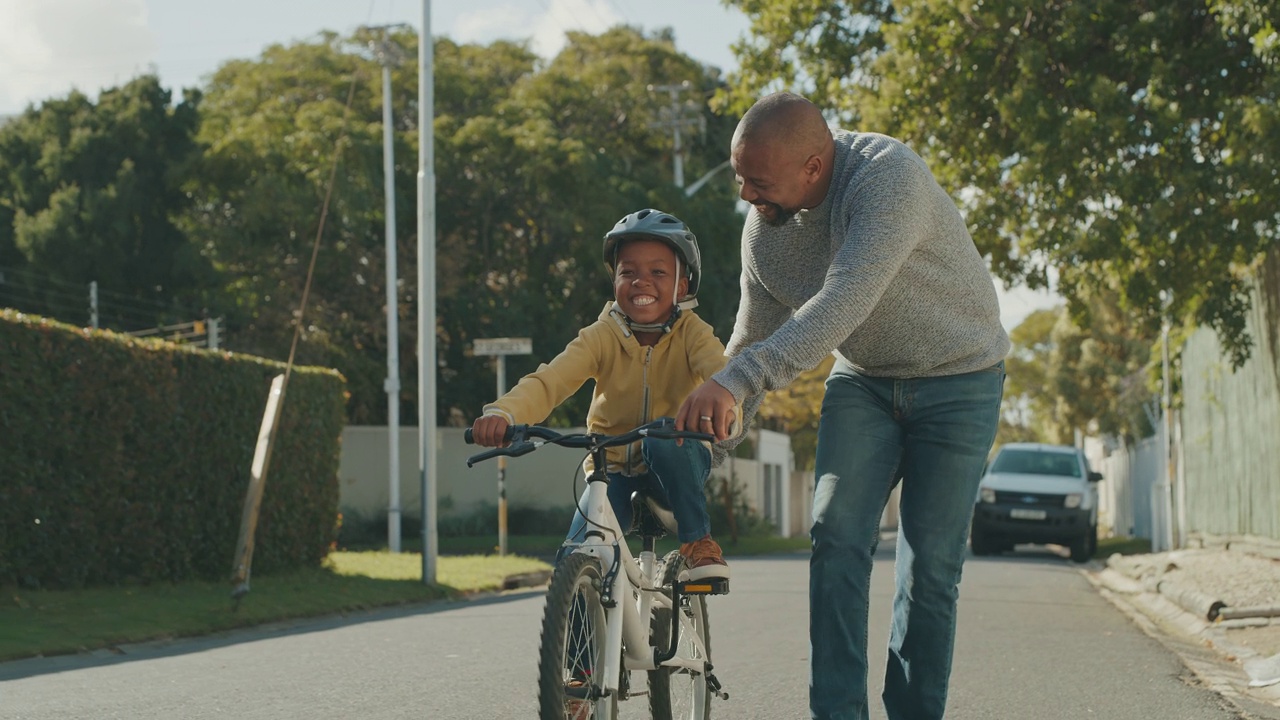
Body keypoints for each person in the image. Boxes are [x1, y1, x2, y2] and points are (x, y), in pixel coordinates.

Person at [676, 92, 1010, 720]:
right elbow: (750, 345)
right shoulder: (765, 231)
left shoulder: (888, 179)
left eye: (760, 181)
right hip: (865, 382)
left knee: (931, 564)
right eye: (739, 177)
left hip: (961, 379)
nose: (747, 195)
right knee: (834, 538)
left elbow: (841, 303)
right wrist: (702, 451)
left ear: (814, 166)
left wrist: (737, 379)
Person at [471, 207, 735, 583]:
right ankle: (579, 636)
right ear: (615, 282)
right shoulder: (601, 335)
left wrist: (725, 407)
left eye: (658, 272)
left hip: (675, 461)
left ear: (681, 285)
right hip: (612, 470)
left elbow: (722, 376)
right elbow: (550, 381)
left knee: (663, 435)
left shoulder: (693, 333)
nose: (641, 281)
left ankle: (698, 543)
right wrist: (504, 413)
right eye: (629, 272)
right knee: (575, 558)